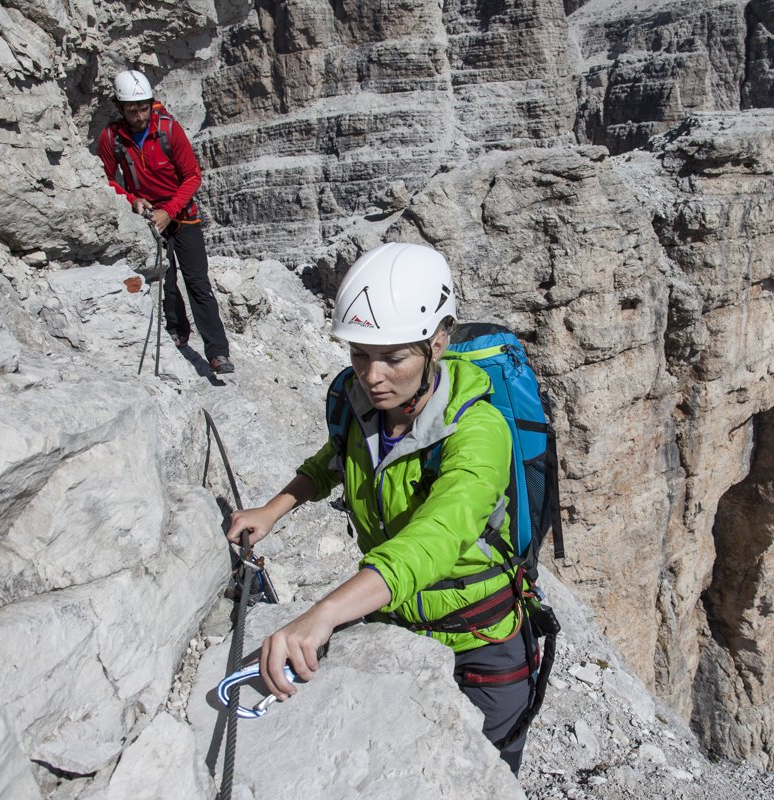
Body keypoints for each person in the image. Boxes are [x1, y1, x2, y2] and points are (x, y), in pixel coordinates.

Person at [226, 242, 533, 773]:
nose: (372, 377)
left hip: (481, 644)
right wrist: (274, 509)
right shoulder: (362, 404)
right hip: (397, 620)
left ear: (438, 340)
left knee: (482, 772)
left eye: (393, 357)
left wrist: (323, 614)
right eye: (360, 354)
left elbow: (436, 537)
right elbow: (333, 459)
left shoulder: (479, 431)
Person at [96, 69, 234, 374]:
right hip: (149, 217)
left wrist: (169, 210)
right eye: (132, 110)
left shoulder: (169, 131)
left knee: (197, 282)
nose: (140, 115)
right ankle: (177, 331)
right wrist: (131, 199)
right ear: (121, 108)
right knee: (166, 282)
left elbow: (192, 176)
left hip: (182, 216)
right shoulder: (111, 138)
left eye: (144, 107)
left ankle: (218, 352)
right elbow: (104, 177)